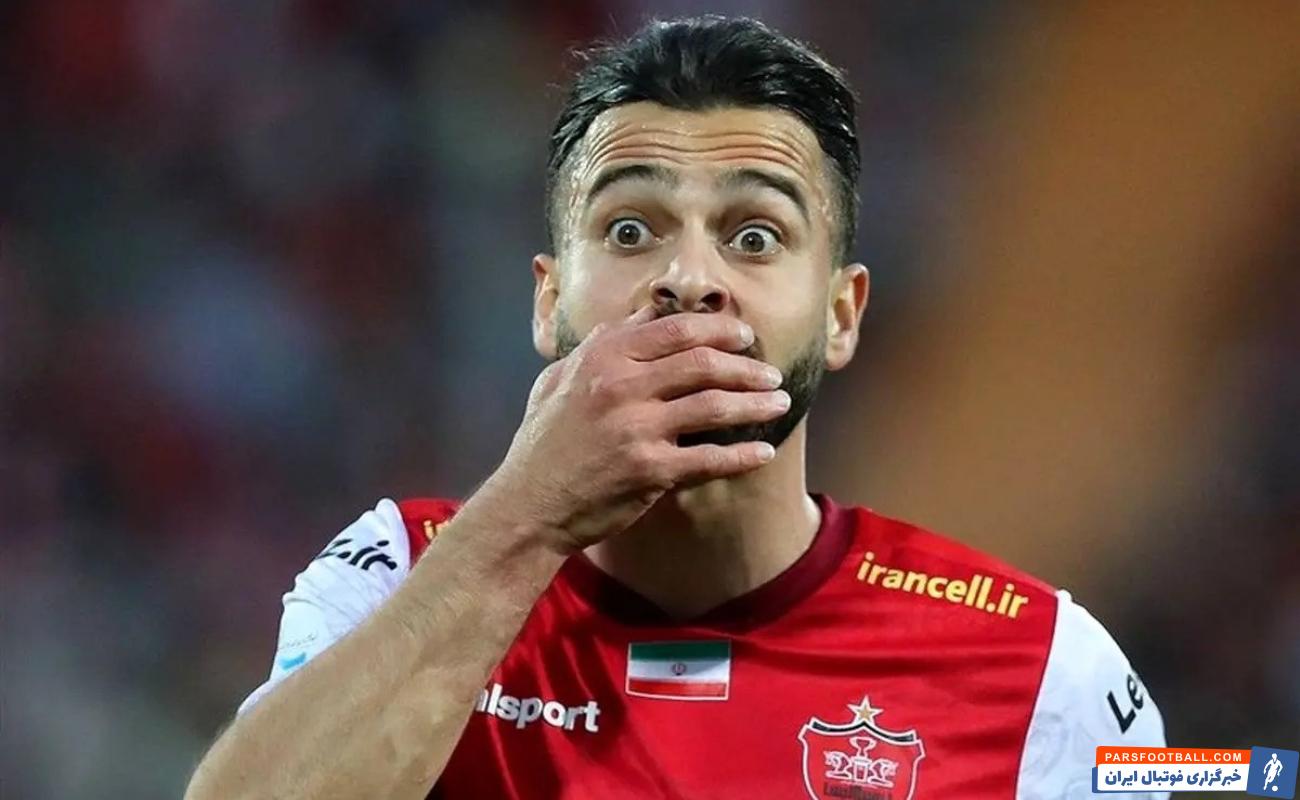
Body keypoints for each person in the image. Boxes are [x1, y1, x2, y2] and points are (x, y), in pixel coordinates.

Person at [185, 15, 1166, 800]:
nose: (689, 277)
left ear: (841, 313)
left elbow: (1223, 775)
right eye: (629, 229)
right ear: (547, 301)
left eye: (754, 234)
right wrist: (526, 518)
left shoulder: (1045, 668)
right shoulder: (400, 571)